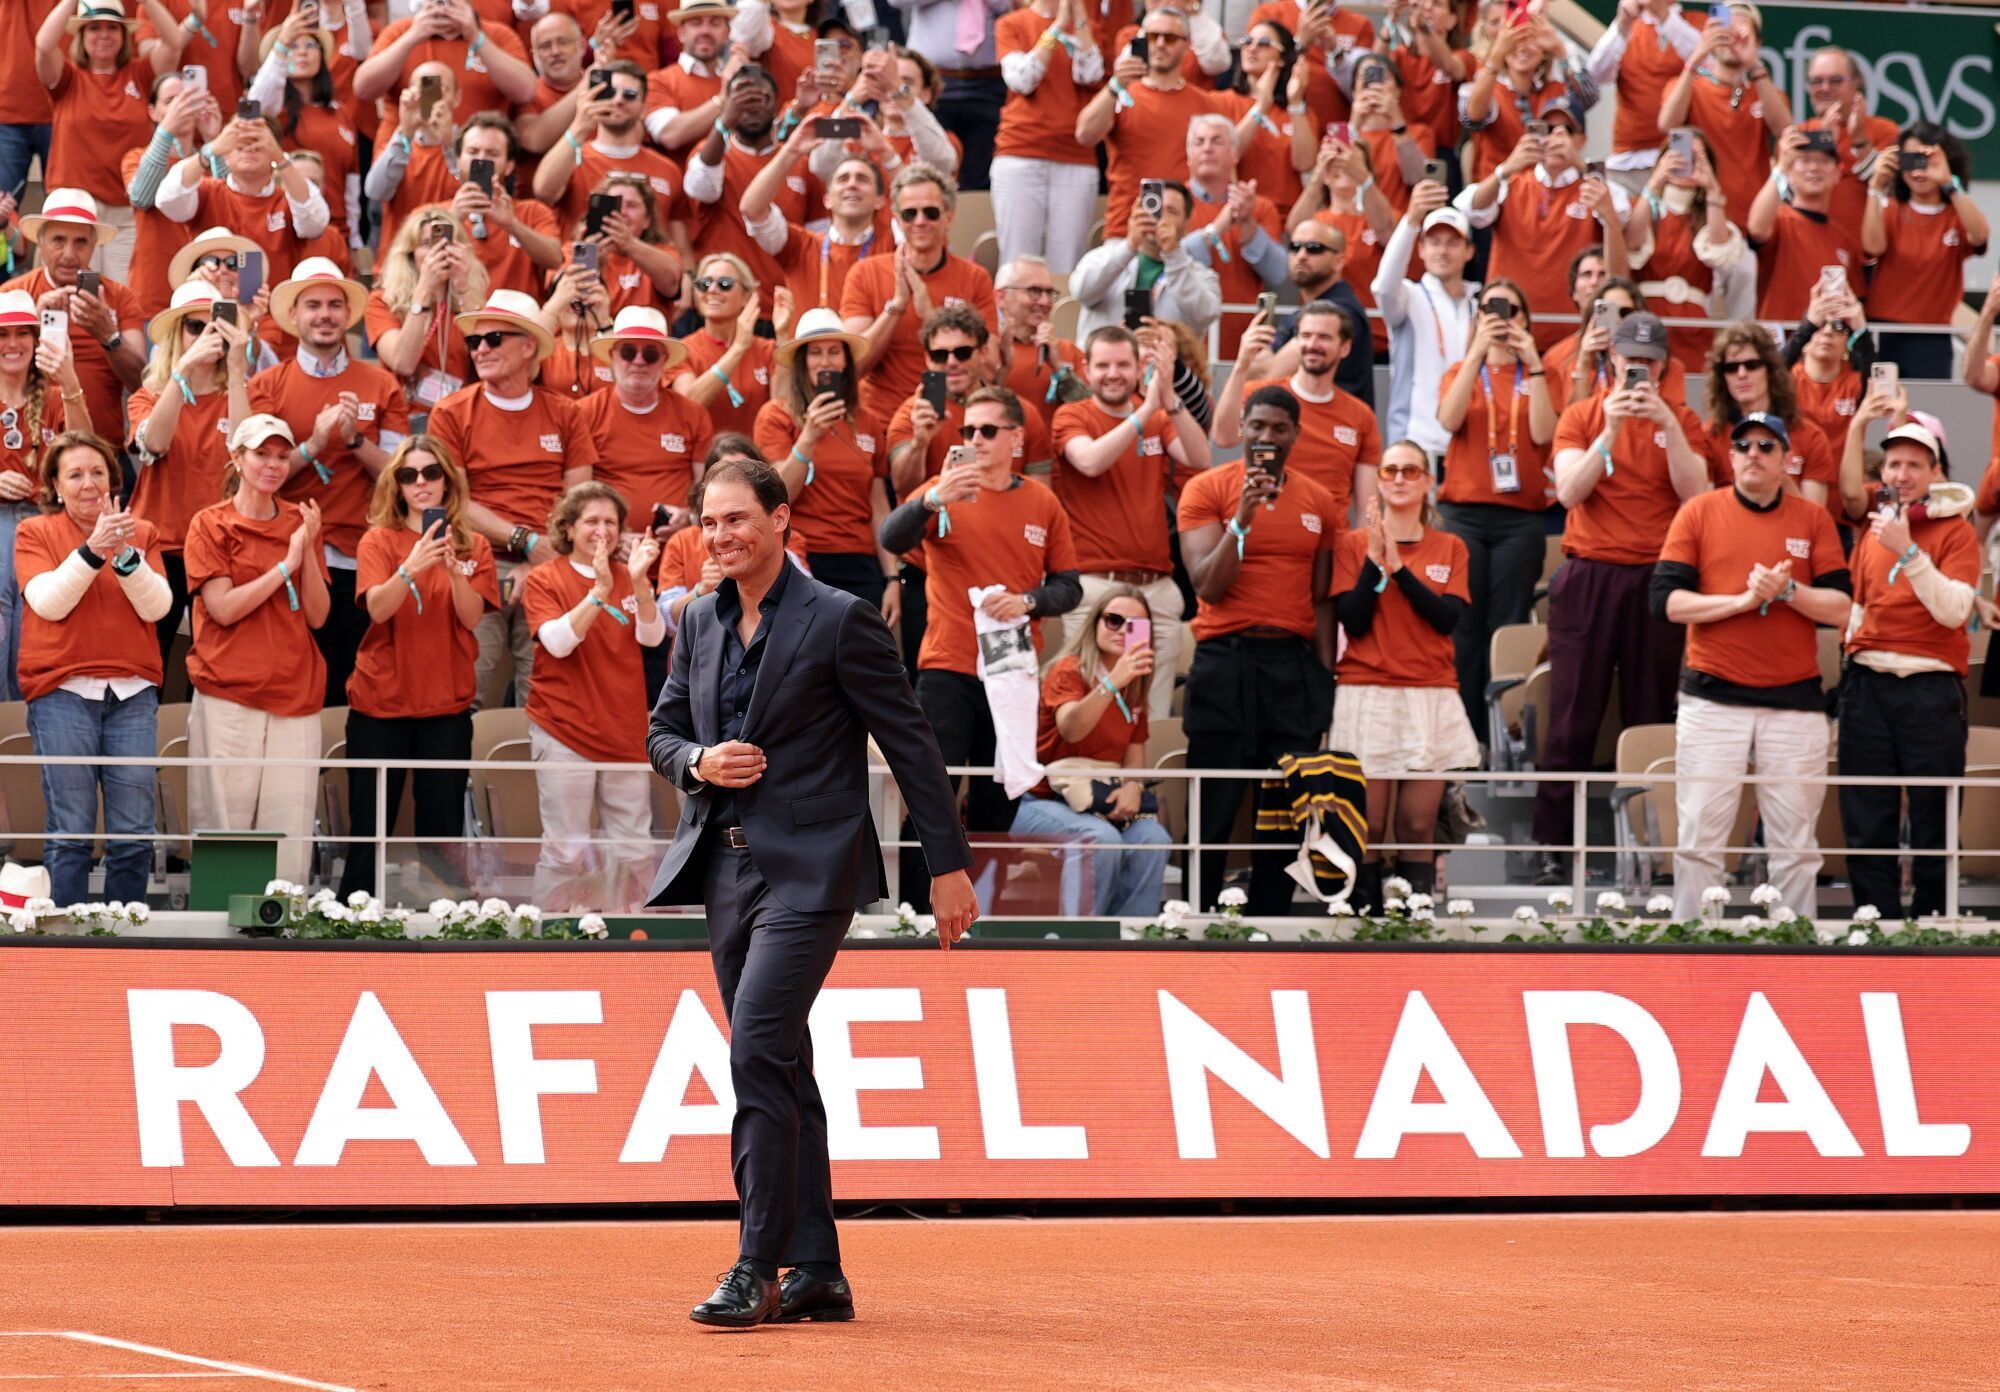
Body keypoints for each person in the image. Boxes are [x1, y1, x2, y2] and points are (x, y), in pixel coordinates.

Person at [649, 455, 978, 1328]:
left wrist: (947, 867)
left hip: (813, 868)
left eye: (736, 520)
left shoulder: (841, 619)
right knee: (784, 1062)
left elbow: (909, 742)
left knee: (756, 1045)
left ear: (782, 519)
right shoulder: (696, 618)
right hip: (725, 866)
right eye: (709, 522)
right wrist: (697, 763)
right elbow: (664, 730)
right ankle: (821, 1269)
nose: (720, 536)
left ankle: (757, 1265)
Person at [878, 384, 1081, 910]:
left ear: (1016, 439)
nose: (975, 439)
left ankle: (978, 909)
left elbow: (1070, 587)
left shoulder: (1043, 501)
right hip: (947, 666)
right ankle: (912, 913)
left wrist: (1029, 601)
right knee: (932, 795)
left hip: (1012, 673)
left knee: (999, 800)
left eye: (988, 431)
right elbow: (890, 537)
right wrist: (930, 498)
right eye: (968, 430)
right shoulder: (942, 489)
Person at [1654, 411, 1849, 922]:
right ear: (1730, 456)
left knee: (1797, 848)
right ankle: (1694, 943)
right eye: (1744, 447)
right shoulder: (1698, 512)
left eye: (1767, 446)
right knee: (1699, 838)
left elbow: (1842, 608)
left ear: (1787, 459)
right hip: (1712, 699)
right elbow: (1667, 603)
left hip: (1794, 702)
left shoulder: (1813, 518)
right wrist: (1741, 602)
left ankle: (1795, 944)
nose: (1754, 455)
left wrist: (1787, 591)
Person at [1535, 311, 1709, 882]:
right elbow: (1567, 490)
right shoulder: (1582, 415)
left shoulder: (1684, 419)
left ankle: (1653, 850)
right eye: (1630, 360)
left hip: (1656, 576)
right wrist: (1609, 430)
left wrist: (1667, 423)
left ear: (1664, 367)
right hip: (1589, 573)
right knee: (1570, 719)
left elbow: (1696, 494)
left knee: (1650, 715)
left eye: (1649, 362)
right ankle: (1552, 847)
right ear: (1612, 362)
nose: (1639, 371)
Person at [1177, 384, 1335, 913]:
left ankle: (1273, 918)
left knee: (1288, 805)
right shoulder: (1206, 489)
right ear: (1240, 427)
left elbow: (1322, 600)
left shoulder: (1319, 501)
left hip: (1292, 666)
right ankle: (1195, 918)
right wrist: (1242, 519)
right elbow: (1206, 585)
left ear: (1296, 434)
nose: (1266, 437)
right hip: (1225, 660)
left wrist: (1325, 678)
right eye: (1258, 426)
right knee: (1215, 803)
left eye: (1279, 428)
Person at [339, 435, 499, 901]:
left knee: (441, 829)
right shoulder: (379, 539)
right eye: (409, 475)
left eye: (432, 473)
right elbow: (377, 610)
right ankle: (352, 920)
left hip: (445, 705)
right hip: (378, 703)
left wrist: (451, 569)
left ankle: (444, 922)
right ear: (397, 485)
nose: (421, 483)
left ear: (448, 482)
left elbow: (471, 618)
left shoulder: (474, 546)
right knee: (368, 830)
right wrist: (409, 567)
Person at [250, 257, 412, 710]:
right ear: (294, 316)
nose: (325, 315)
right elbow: (258, 477)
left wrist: (354, 440)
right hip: (288, 559)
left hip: (359, 560)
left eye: (335, 305)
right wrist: (315, 443)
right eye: (314, 305)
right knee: (291, 684)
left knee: (349, 690)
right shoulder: (267, 385)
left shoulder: (382, 385)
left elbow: (398, 477)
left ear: (349, 315)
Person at [17, 429, 168, 908]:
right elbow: (48, 602)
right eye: (75, 475)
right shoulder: (35, 532)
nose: (88, 484)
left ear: (113, 480)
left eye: (97, 473)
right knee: (71, 829)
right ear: (56, 487)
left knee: (134, 831)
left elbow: (158, 607)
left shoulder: (140, 533)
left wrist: (123, 555)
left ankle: (126, 932)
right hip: (62, 691)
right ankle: (67, 940)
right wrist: (91, 551)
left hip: (132, 693)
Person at [426, 288, 596, 708]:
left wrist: (542, 557)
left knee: (544, 694)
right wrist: (525, 543)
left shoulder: (566, 413)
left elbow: (579, 504)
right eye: (473, 342)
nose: (480, 349)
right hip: (474, 558)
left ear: (528, 347)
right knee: (466, 687)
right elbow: (454, 501)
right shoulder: (450, 412)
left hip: (552, 560)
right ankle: (461, 776)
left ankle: (532, 777)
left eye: (493, 339)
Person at [1837, 413, 1977, 921]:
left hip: (1930, 687)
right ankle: (1874, 924)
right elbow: (1858, 605)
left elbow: (1955, 610)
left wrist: (1910, 552)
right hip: (1869, 684)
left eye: (1913, 465)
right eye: (1893, 463)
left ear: (1933, 473)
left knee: (1933, 816)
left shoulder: (1956, 533)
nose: (1901, 474)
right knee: (1865, 815)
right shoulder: (1870, 531)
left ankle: (1934, 924)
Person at [1331, 443, 1480, 910]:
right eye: (1390, 470)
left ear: (1427, 482)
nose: (1399, 478)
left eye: (1410, 470)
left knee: (1416, 826)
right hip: (1366, 692)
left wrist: (1399, 568)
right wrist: (1376, 562)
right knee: (1370, 826)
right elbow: (1352, 621)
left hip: (1428, 694)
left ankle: (1415, 927)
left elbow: (1445, 619)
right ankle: (1363, 928)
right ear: (1378, 480)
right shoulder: (1353, 546)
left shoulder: (1450, 546)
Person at [183, 414, 331, 884]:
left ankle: (286, 937)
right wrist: (284, 567)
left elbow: (318, 615)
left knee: (289, 833)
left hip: (296, 692)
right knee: (226, 824)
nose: (273, 464)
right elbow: (223, 608)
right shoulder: (209, 523)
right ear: (237, 458)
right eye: (261, 454)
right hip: (229, 691)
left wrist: (306, 549)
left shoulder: (300, 521)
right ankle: (220, 942)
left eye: (282, 455)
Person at [522, 480, 662, 910]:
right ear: (567, 528)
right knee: (565, 847)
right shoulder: (544, 578)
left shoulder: (630, 577)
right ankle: (551, 938)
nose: (602, 530)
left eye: (611, 522)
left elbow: (653, 637)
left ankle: (639, 935)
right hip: (563, 727)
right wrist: (599, 592)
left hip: (623, 729)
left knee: (635, 846)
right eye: (591, 521)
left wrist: (638, 583)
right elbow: (559, 643)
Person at [1052, 324, 1206, 717]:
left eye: (1123, 364)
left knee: (1147, 712)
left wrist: (1167, 397)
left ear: (1139, 368)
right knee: (1091, 701)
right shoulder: (1073, 414)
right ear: (1086, 369)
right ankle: (1093, 781)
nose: (1113, 373)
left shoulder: (1157, 414)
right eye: (1103, 365)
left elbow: (1200, 458)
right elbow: (1089, 461)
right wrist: (1142, 413)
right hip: (1094, 586)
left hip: (1151, 588)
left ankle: (1142, 782)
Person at [1434, 279, 1555, 730]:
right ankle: (1463, 733)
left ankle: (1501, 731)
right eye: (1490, 311)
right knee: (1462, 627)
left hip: (1520, 519)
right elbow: (1448, 418)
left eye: (1512, 311)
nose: (1502, 319)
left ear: (1526, 320)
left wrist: (1535, 362)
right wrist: (1475, 353)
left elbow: (1544, 435)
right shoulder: (1460, 371)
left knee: (1505, 629)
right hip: (1463, 514)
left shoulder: (1540, 375)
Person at [1011, 585, 1171, 917]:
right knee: (1101, 839)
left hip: (1099, 802)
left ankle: (1131, 945)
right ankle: (1079, 943)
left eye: (1134, 624)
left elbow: (1135, 751)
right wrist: (1112, 682)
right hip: (1041, 802)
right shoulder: (1070, 669)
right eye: (1113, 620)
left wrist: (1133, 787)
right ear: (1095, 623)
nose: (1122, 630)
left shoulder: (1136, 682)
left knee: (1154, 837)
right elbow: (1071, 727)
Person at [127, 279, 252, 671]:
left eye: (214, 327)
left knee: (217, 664)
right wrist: (182, 371)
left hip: (220, 547)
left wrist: (236, 371)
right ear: (177, 336)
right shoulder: (147, 395)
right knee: (150, 663)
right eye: (195, 327)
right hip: (158, 545)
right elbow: (155, 445)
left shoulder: (244, 392)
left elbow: (247, 454)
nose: (205, 337)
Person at [755, 308, 897, 615]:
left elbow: (878, 504)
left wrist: (893, 576)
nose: (825, 361)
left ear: (846, 361)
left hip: (860, 561)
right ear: (801, 362)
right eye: (815, 353)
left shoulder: (868, 422)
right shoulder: (777, 415)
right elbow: (779, 495)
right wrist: (808, 436)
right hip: (802, 556)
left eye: (834, 351)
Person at [1460, 103, 1633, 349]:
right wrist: (1508, 166)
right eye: (1548, 129)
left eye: (1567, 131)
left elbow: (1619, 215)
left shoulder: (1594, 188)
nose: (1555, 137)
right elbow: (1472, 209)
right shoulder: (1513, 182)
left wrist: (1579, 164)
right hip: (1510, 331)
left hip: (1575, 337)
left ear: (1582, 139)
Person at [33, 0, 183, 282]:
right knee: (70, 294)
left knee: (120, 295)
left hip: (125, 213)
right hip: (72, 210)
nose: (104, 34)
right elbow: (43, 45)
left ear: (124, 36)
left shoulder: (140, 75)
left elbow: (173, 43)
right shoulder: (67, 77)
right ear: (81, 36)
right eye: (94, 28)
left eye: (113, 28)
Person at [839, 163, 997, 418]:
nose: (920, 222)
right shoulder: (865, 273)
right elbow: (852, 367)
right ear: (897, 219)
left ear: (949, 216)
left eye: (931, 212)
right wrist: (897, 306)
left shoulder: (975, 278)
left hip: (952, 419)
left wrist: (930, 315)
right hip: (881, 419)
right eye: (910, 214)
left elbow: (990, 367)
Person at [4, 191, 147, 473]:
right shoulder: (11, 295)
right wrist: (31, 322)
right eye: (58, 240)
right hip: (26, 460)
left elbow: (142, 382)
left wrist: (108, 335)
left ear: (94, 245)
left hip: (101, 455)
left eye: (80, 242)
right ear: (40, 242)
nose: (69, 254)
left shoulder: (118, 297)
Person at [0, 289, 91, 705]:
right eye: (3, 334)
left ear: (37, 340)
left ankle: (27, 744)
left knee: (38, 636)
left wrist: (70, 378)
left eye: (23, 333)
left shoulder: (54, 396)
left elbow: (86, 451)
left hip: (47, 526)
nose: (13, 343)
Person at [1217, 302, 1378, 532]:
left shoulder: (1361, 416)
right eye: (1305, 336)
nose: (1313, 345)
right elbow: (1223, 437)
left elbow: (1368, 507)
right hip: (1266, 534)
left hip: (1330, 543)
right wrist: (1242, 365)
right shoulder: (1261, 396)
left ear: (1344, 347)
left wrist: (1363, 550)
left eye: (1324, 337)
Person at [1073, 5, 1223, 240]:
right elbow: (1084, 135)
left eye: (1170, 38)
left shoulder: (1205, 104)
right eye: (1153, 36)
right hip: (1127, 229)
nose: (1160, 43)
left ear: (1187, 45)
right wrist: (1114, 86)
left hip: (1184, 232)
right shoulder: (1121, 94)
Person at [152, 108, 331, 290]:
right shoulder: (205, 191)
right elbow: (167, 200)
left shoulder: (290, 200)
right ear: (226, 154)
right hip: (212, 309)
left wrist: (279, 157)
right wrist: (210, 151)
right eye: (239, 142)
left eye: (257, 142)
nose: (249, 148)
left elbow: (316, 223)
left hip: (271, 311)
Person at [1863, 123, 1987, 380]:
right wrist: (1875, 186)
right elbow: (1872, 246)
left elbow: (1980, 237)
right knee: (1878, 410)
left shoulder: (1955, 214)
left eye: (1926, 159)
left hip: (1932, 336)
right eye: (1909, 159)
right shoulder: (1889, 207)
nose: (1918, 171)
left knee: (1928, 415)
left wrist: (1949, 183)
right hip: (1881, 330)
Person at [991, 0, 1104, 271]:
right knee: (1016, 261)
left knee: (1067, 263)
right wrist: (1055, 27)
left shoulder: (1089, 27)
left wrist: (1077, 21)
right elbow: (1022, 80)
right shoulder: (1011, 23)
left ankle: (1061, 314)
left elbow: (1091, 75)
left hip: (1075, 155)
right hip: (1020, 151)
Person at [1657, 2, 1790, 222]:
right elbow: (1667, 124)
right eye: (1725, 29)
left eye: (1742, 32)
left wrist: (1753, 62)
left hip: (1751, 216)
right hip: (1701, 219)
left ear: (1757, 43)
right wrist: (1698, 56)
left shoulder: (1767, 93)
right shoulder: (1688, 86)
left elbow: (1785, 130)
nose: (1732, 39)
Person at [1633, 125, 1747, 374]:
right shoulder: (1643, 209)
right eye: (1677, 153)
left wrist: (1711, 188)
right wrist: (1654, 183)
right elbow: (1630, 243)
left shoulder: (1710, 219)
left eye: (1695, 158)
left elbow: (1721, 252)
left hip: (1693, 328)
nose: (1685, 162)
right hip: (1646, 320)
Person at [1372, 189, 1477, 457]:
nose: (1443, 251)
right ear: (1420, 249)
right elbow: (1383, 287)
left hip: (1467, 443)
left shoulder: (1480, 304)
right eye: (1434, 242)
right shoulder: (1408, 296)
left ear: (1469, 252)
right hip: (1415, 442)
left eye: (1453, 242)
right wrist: (1411, 221)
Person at [1704, 321, 1840, 518]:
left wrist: (1773, 469)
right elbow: (1703, 513)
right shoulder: (1709, 435)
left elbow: (1813, 521)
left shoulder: (1810, 436)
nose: (1742, 374)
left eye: (1751, 365)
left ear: (1770, 370)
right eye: (1731, 368)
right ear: (1722, 377)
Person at [533, 58, 686, 231]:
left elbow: (678, 246)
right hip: (584, 256)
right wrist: (579, 127)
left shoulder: (668, 170)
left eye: (629, 94)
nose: (618, 100)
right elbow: (543, 191)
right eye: (610, 92)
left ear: (644, 108)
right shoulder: (572, 158)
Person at [1179, 113, 1287, 356]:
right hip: (1185, 336)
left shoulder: (1259, 207)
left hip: (1243, 339)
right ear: (1188, 155)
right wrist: (1217, 228)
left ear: (1235, 154)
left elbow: (1279, 273)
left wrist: (1248, 223)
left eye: (1217, 141)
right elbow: (1168, 262)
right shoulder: (1173, 203)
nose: (1207, 148)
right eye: (1199, 142)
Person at [1067, 180, 1220, 344]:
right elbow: (1081, 291)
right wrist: (1130, 246)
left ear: (1186, 224)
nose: (1160, 218)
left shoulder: (1201, 275)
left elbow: (1205, 315)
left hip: (1165, 366)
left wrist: (1174, 255)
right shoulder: (1103, 256)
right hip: (1105, 366)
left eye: (1171, 211)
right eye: (1154, 207)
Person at [365, 208, 487, 414]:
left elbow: (489, 356)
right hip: (406, 417)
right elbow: (402, 363)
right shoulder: (383, 301)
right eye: (425, 244)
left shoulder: (472, 301)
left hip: (460, 415)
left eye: (444, 243)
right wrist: (423, 292)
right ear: (410, 253)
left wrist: (463, 288)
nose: (435, 251)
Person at [353, 0, 537, 131]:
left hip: (476, 160)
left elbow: (526, 91)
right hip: (409, 159)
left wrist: (475, 36)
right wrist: (412, 36)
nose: (445, 6)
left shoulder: (497, 35)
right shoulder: (400, 31)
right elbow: (364, 88)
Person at [1746, 125, 1859, 325]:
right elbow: (1756, 229)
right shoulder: (1779, 219)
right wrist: (1781, 166)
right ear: (1790, 172)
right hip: (1781, 345)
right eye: (1804, 161)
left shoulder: (1844, 239)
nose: (1814, 168)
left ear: (1837, 173)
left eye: (1824, 161)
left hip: (1826, 345)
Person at [1585, 0, 1700, 196]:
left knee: (1672, 226)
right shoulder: (1628, 26)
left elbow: (1709, 63)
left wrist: (1664, 16)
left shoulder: (1695, 21)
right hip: (1627, 159)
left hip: (1677, 157)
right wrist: (1622, 24)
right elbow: (1596, 75)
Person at [1262, 216, 1375, 407]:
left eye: (1314, 248)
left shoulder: (1340, 312)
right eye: (1295, 247)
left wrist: (1263, 361)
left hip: (1334, 428)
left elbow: (1267, 377)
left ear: (1339, 261)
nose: (1302, 255)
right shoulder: (1304, 312)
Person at [673, 252, 778, 441]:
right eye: (704, 284)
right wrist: (738, 349)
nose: (712, 290)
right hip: (705, 465)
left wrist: (784, 333)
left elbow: (782, 411)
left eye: (725, 284)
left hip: (755, 465)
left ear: (748, 296)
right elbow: (688, 405)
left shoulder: (768, 350)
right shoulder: (683, 350)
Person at [1460, 10, 1569, 185]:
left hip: (1541, 193)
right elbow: (1472, 117)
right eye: (1515, 40)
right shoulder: (1490, 88)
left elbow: (1588, 97)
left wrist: (1559, 50)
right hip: (1495, 192)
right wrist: (1495, 57)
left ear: (1544, 51)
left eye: (1531, 39)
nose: (1523, 47)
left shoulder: (1554, 89)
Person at [639, 0, 737, 158]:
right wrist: (724, 98)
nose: (705, 31)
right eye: (696, 23)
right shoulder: (658, 81)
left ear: (727, 33)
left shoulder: (739, 80)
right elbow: (669, 135)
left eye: (715, 23)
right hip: (679, 180)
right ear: (681, 33)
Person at [993, 255, 1084, 411]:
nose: (1044, 301)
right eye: (1034, 291)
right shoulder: (986, 350)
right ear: (1001, 297)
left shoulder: (1067, 351)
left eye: (1049, 293)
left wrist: (1060, 369)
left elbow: (1091, 412)